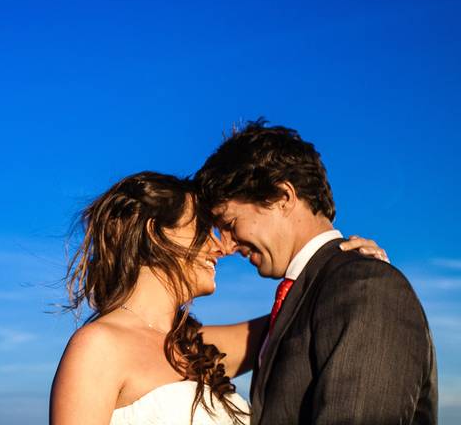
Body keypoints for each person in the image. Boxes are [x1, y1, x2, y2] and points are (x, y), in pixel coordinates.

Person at [49, 171, 385, 425]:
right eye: (202, 231)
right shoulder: (98, 347)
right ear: (156, 233)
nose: (221, 247)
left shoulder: (199, 346)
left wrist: (355, 272)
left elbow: (310, 313)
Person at [196, 120, 437, 425]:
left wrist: (368, 283)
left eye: (230, 224)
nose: (228, 246)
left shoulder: (366, 287)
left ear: (282, 198)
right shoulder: (314, 298)